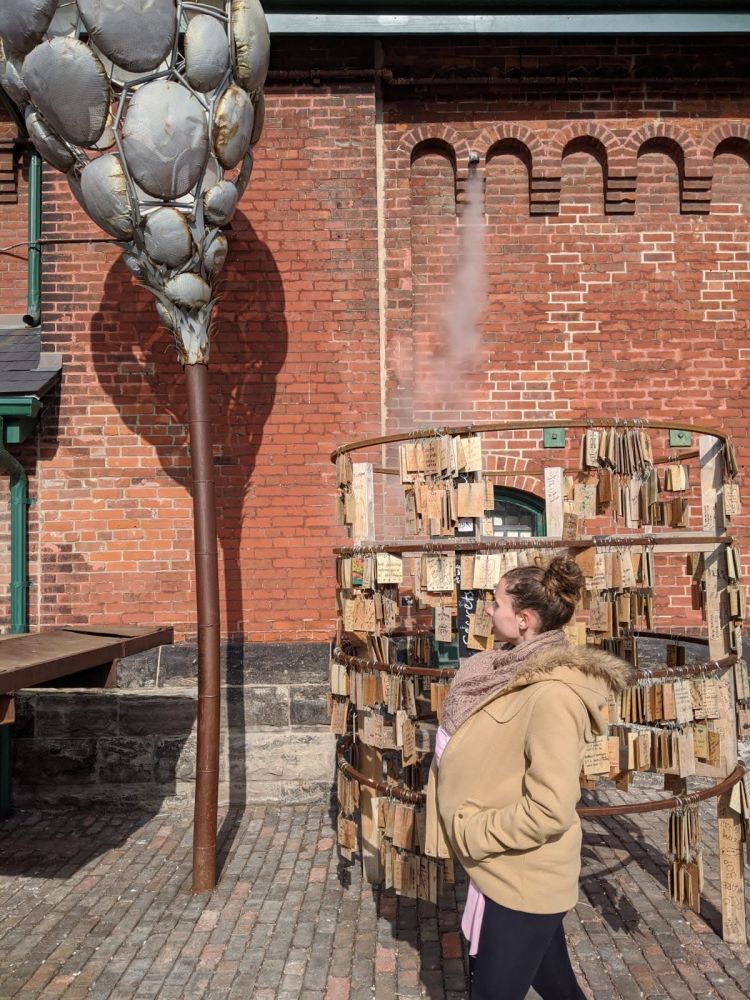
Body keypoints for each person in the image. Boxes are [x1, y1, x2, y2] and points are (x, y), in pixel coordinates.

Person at [425, 555, 629, 1000]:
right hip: (500, 869)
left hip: (522, 875)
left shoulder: (553, 695)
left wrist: (472, 832)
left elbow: (550, 808)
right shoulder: (497, 670)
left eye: (496, 602)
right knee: (559, 988)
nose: (487, 610)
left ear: (524, 619)